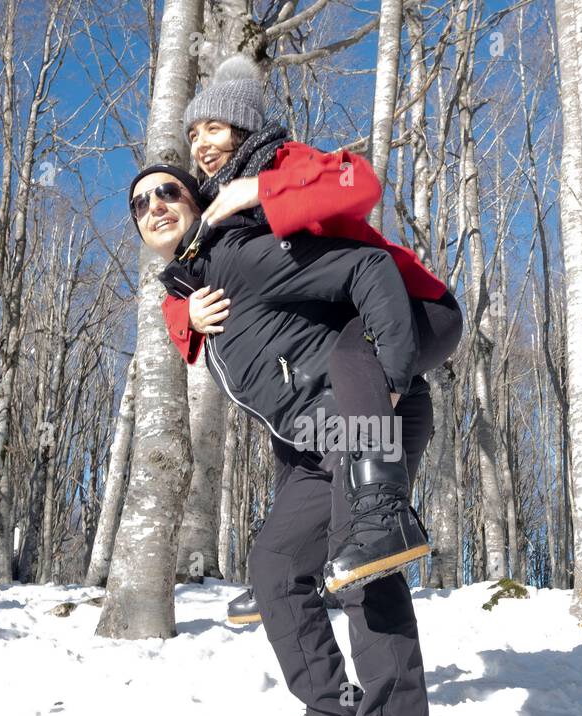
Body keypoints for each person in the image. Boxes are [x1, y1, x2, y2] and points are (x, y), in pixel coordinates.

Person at [131, 163, 450, 716]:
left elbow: (367, 268)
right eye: (140, 202)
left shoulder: (240, 254)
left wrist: (389, 379)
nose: (155, 204)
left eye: (170, 191)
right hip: (316, 446)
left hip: (369, 415)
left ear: (201, 203)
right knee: (275, 565)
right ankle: (334, 708)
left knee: (363, 565)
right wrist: (184, 310)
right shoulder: (197, 289)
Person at [169, 54, 463, 597]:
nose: (201, 144)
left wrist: (265, 189)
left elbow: (361, 183)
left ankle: (384, 518)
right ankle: (286, 574)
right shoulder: (214, 216)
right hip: (351, 326)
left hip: (416, 306)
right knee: (293, 440)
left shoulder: (285, 160)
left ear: (243, 128)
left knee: (354, 360)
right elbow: (188, 281)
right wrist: (184, 315)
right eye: (193, 133)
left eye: (213, 127)